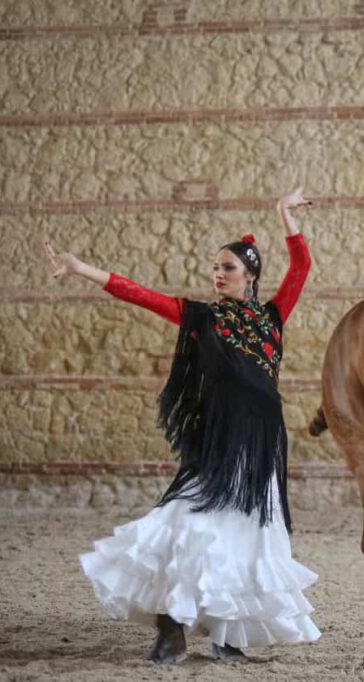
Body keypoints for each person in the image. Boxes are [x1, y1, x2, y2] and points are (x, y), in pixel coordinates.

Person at [47, 188, 320, 664]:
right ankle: (171, 625)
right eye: (215, 267)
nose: (218, 274)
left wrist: (284, 215)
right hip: (219, 442)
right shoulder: (201, 318)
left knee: (250, 536)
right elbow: (140, 294)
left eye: (228, 267)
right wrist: (81, 269)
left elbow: (301, 268)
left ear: (250, 274)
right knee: (191, 521)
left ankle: (227, 633)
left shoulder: (272, 317)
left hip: (260, 446)